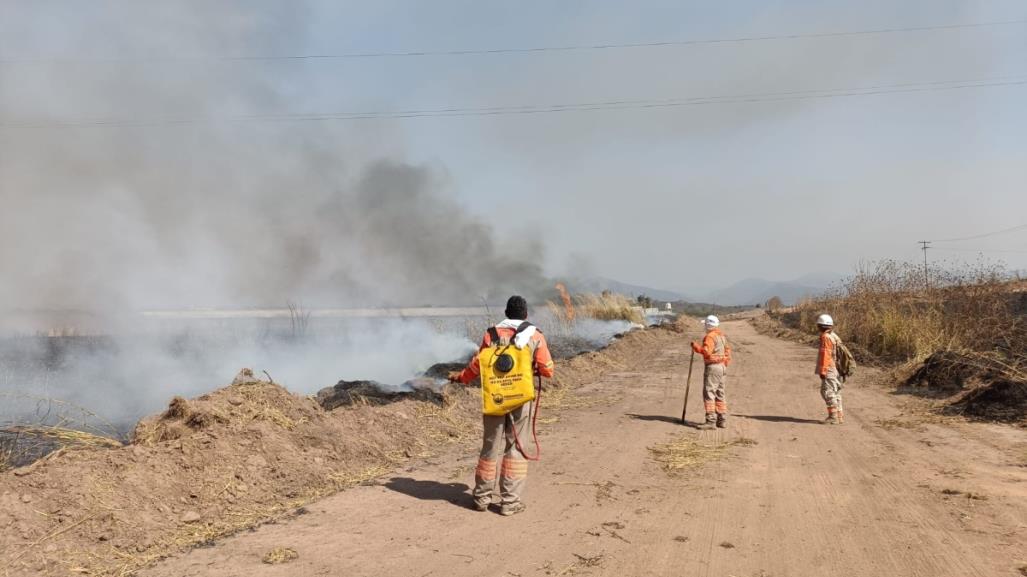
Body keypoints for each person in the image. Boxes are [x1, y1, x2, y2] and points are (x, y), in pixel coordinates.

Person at [449, 295, 554, 516]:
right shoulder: (535, 335)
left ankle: (481, 498)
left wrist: (460, 378)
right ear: (526, 314)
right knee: (515, 447)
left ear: (506, 314)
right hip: (520, 399)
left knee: (489, 448)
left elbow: (477, 365)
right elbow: (547, 370)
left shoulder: (491, 334)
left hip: (495, 399)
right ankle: (510, 502)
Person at [691, 315, 732, 429]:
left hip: (713, 367)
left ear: (708, 325)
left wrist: (696, 348)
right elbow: (728, 351)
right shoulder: (722, 336)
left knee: (709, 393)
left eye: (705, 325)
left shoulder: (709, 337)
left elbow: (706, 352)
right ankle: (721, 420)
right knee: (720, 393)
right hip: (722, 366)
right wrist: (724, 364)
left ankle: (710, 421)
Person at [815, 314, 845, 425]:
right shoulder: (834, 336)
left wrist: (822, 371)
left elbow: (825, 355)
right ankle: (839, 416)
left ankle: (833, 417)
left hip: (829, 368)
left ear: (820, 326)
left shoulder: (825, 337)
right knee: (836, 391)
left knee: (827, 392)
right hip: (836, 368)